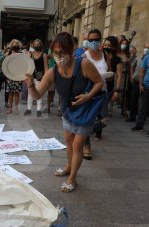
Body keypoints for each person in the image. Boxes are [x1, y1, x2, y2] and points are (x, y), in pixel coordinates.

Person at [25, 32, 103, 192]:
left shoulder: (84, 64)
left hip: (86, 110)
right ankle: (69, 167)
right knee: (68, 140)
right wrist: (30, 85)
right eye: (55, 53)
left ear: (71, 50)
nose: (58, 56)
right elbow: (38, 95)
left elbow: (99, 82)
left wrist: (88, 96)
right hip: (68, 110)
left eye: (62, 52)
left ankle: (72, 178)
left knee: (77, 145)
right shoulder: (53, 71)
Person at [82, 29, 109, 160]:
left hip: (103, 91)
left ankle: (82, 136)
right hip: (89, 91)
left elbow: (109, 70)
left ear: (100, 40)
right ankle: (86, 146)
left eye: (95, 40)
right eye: (90, 40)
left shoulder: (105, 54)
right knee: (88, 120)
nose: (93, 42)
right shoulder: (84, 56)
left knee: (104, 121)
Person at [127, 42, 149, 122]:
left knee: (142, 102)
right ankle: (132, 117)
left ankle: (141, 118)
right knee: (133, 99)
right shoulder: (139, 58)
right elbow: (132, 66)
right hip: (136, 81)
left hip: (145, 83)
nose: (146, 49)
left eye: (148, 48)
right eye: (145, 47)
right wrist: (131, 75)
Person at [24, 39, 48, 117]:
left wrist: (46, 77)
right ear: (33, 45)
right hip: (31, 76)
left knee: (39, 93)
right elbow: (27, 65)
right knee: (30, 93)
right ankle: (28, 109)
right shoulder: (30, 54)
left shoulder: (44, 55)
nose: (37, 45)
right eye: (35, 44)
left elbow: (46, 67)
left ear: (41, 45)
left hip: (40, 77)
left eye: (38, 44)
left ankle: (38, 110)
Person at [5, 40, 23, 114]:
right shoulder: (8, 53)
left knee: (17, 92)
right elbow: (5, 65)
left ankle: (16, 108)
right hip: (10, 75)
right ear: (11, 46)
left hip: (18, 75)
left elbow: (23, 64)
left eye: (16, 45)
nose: (15, 46)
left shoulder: (21, 54)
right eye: (13, 45)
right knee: (10, 93)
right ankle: (10, 108)